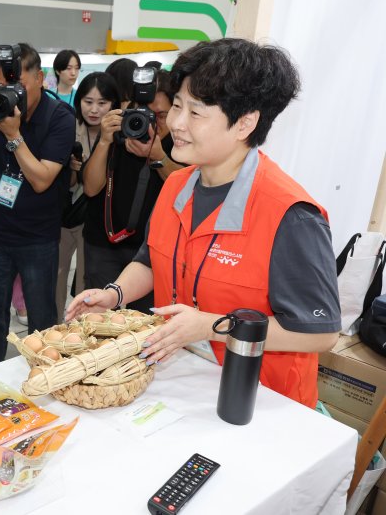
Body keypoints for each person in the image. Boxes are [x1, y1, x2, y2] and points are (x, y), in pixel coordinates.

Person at [67, 38, 340, 408]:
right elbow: (150, 260)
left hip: (262, 402)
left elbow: (319, 335)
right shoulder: (177, 184)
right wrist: (114, 294)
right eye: (177, 105)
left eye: (195, 113)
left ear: (245, 123)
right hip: (181, 380)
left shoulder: (290, 215)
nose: (176, 123)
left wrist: (209, 325)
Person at [0, 43, 75, 367]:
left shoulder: (60, 118)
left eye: (18, 87)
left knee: (41, 321)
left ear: (40, 78)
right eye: (3, 87)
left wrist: (13, 135)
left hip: (38, 239)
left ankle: (44, 378)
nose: (12, 95)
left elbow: (42, 179)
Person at [80, 68, 179, 312]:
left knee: (145, 326)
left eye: (161, 115)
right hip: (104, 245)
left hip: (151, 252)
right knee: (97, 322)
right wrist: (104, 141)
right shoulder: (120, 131)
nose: (151, 123)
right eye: (145, 114)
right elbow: (91, 189)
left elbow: (185, 191)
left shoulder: (179, 142)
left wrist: (158, 157)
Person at [55, 72, 118, 320]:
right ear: (78, 100)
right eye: (88, 101)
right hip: (66, 215)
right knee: (57, 274)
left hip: (99, 221)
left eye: (102, 103)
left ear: (113, 104)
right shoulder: (68, 129)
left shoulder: (119, 135)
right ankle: (54, 328)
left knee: (86, 278)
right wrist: (71, 170)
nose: (94, 109)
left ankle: (82, 330)